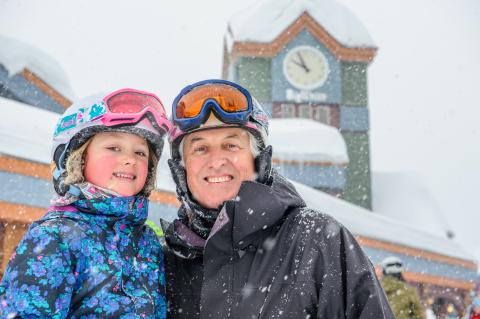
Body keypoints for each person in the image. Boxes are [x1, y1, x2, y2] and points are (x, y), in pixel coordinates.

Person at [161, 79, 395, 318]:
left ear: (259, 159)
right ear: (181, 169)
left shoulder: (318, 242)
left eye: (231, 145)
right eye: (200, 148)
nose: (217, 160)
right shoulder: (163, 264)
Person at [0, 89, 171, 318]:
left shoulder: (148, 242)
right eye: (114, 148)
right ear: (77, 159)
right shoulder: (55, 238)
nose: (130, 159)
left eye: (140, 152)